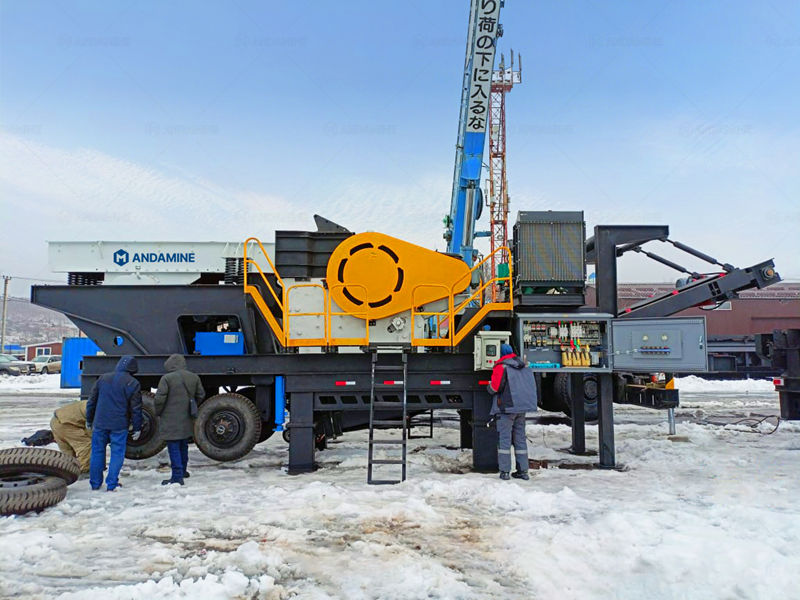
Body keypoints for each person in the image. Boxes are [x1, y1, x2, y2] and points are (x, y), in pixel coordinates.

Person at [86, 355, 143, 491]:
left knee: (97, 452)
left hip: (100, 423)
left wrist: (89, 419)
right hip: (119, 424)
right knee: (117, 453)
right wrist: (137, 427)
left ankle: (95, 483)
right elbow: (136, 409)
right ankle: (111, 483)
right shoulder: (132, 383)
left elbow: (91, 401)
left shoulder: (103, 378)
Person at [487, 343, 537, 481]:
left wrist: (488, 387)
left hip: (507, 408)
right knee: (520, 438)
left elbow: (495, 387)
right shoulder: (523, 365)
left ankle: (505, 471)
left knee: (504, 439)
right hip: (521, 408)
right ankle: (523, 471)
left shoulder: (501, 366)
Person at [154, 354, 205, 486]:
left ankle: (177, 476)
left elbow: (159, 399)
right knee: (183, 445)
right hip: (187, 416)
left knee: (173, 446)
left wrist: (158, 412)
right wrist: (191, 406)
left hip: (170, 417)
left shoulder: (167, 378)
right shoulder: (194, 377)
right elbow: (201, 394)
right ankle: (183, 471)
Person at [50, 400, 92, 472]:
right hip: (67, 424)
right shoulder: (97, 408)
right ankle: (84, 471)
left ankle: (67, 471)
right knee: (85, 446)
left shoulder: (90, 402)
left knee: (67, 453)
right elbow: (92, 431)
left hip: (55, 420)